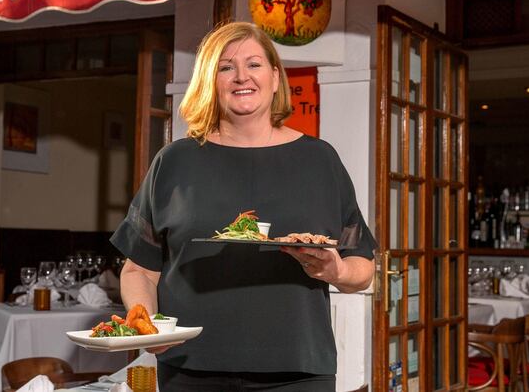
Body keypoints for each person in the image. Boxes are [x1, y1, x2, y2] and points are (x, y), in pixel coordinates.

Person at [111, 21, 376, 391]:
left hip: (297, 370)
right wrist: (150, 326)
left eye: (253, 64)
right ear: (210, 81)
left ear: (275, 76)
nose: (241, 77)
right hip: (190, 369)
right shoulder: (174, 161)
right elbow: (139, 269)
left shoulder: (320, 160)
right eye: (226, 67)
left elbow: (363, 267)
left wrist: (336, 270)